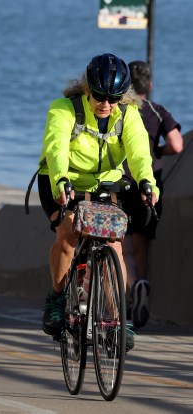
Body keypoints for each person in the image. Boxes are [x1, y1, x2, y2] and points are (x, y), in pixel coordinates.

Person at [37, 53, 159, 352]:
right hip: (61, 179)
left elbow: (140, 152)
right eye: (100, 96)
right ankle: (56, 297)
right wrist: (61, 181)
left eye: (113, 98)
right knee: (68, 235)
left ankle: (116, 320)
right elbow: (56, 149)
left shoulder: (128, 115)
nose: (106, 104)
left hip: (106, 185)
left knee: (115, 248)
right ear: (87, 89)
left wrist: (147, 182)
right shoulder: (63, 109)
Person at [123, 60, 183, 329]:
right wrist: (157, 153)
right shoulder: (157, 111)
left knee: (121, 246)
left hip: (122, 181)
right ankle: (140, 293)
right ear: (150, 85)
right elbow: (177, 144)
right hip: (151, 185)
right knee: (141, 245)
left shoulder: (121, 109)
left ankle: (128, 292)